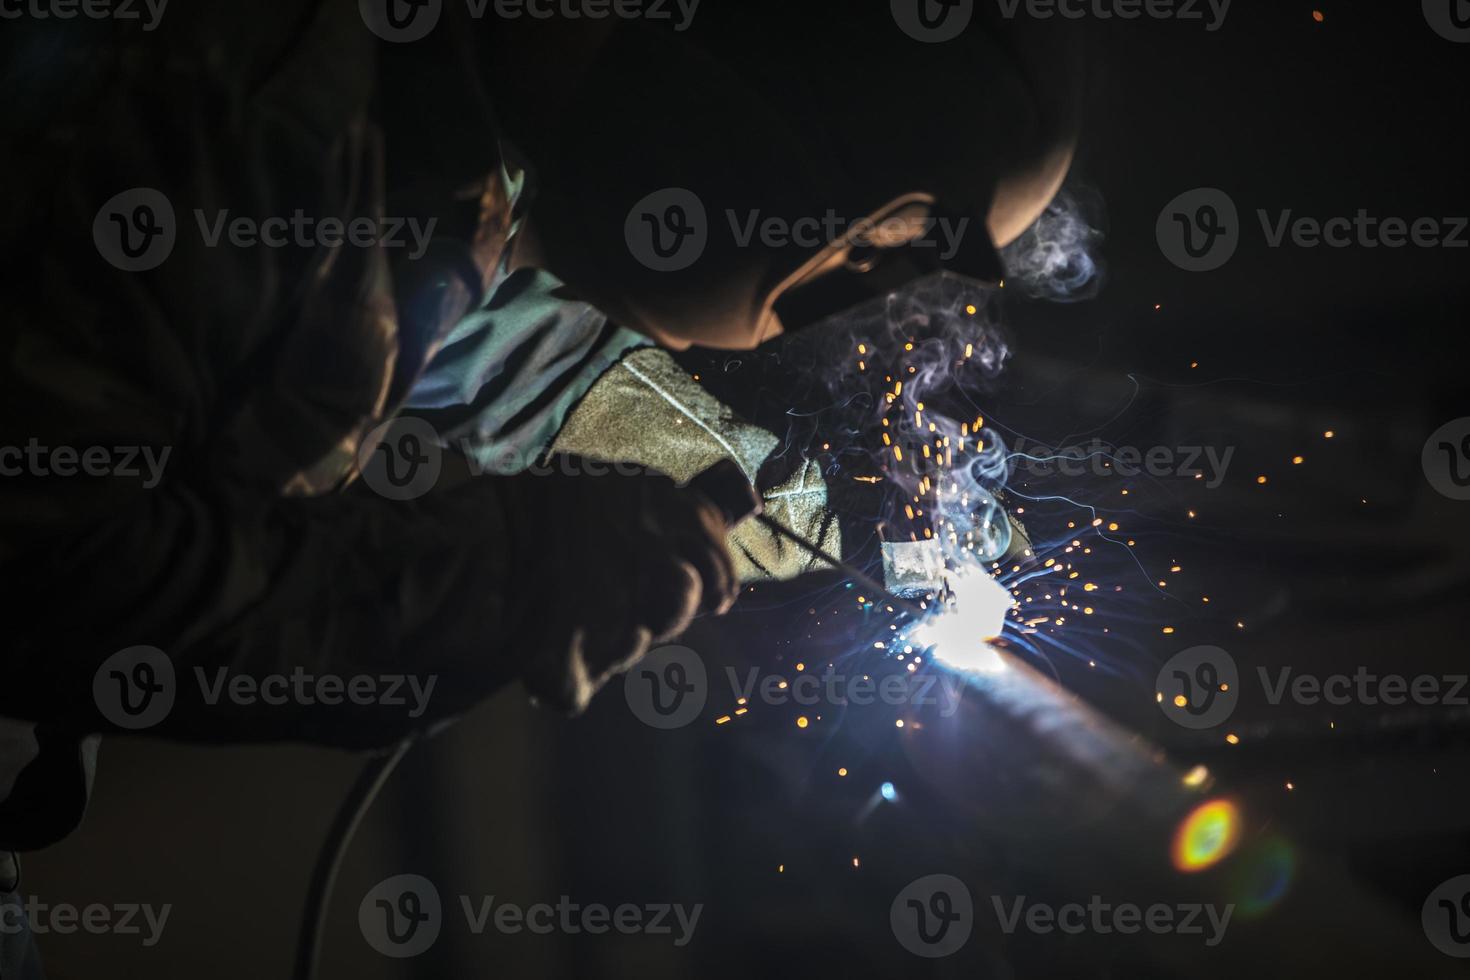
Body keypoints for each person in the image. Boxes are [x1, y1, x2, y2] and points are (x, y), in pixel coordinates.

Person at [0, 3, 1081, 973]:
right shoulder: (257, 85)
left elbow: (517, 354)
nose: (838, 295)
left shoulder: (426, 109)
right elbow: (43, 564)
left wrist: (818, 520)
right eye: (862, 252)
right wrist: (500, 573)